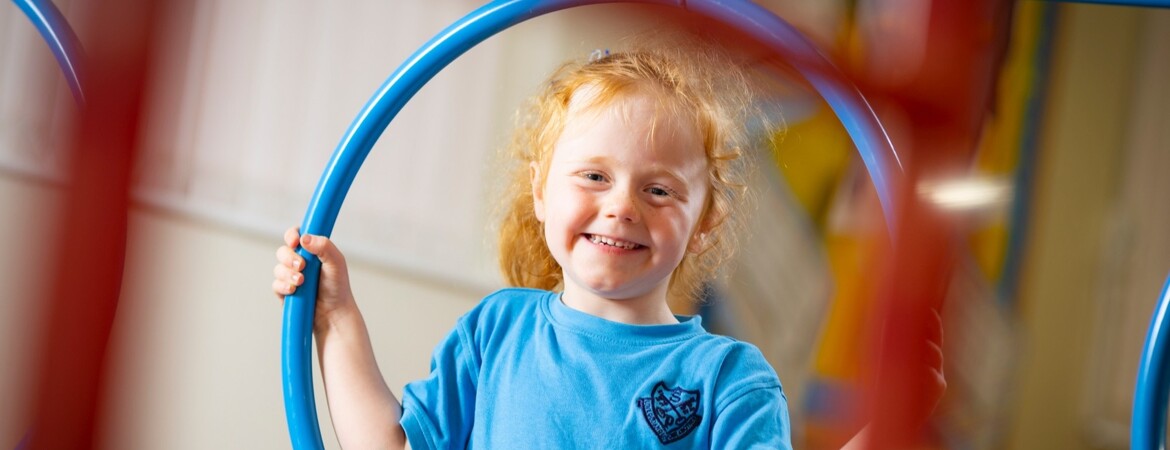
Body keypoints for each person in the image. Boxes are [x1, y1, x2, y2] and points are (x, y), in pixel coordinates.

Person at [273, 35, 936, 449]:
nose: (621, 206)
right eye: (593, 176)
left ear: (704, 221)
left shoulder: (728, 380)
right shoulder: (496, 332)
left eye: (659, 190)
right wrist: (334, 316)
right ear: (540, 192)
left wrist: (895, 423)